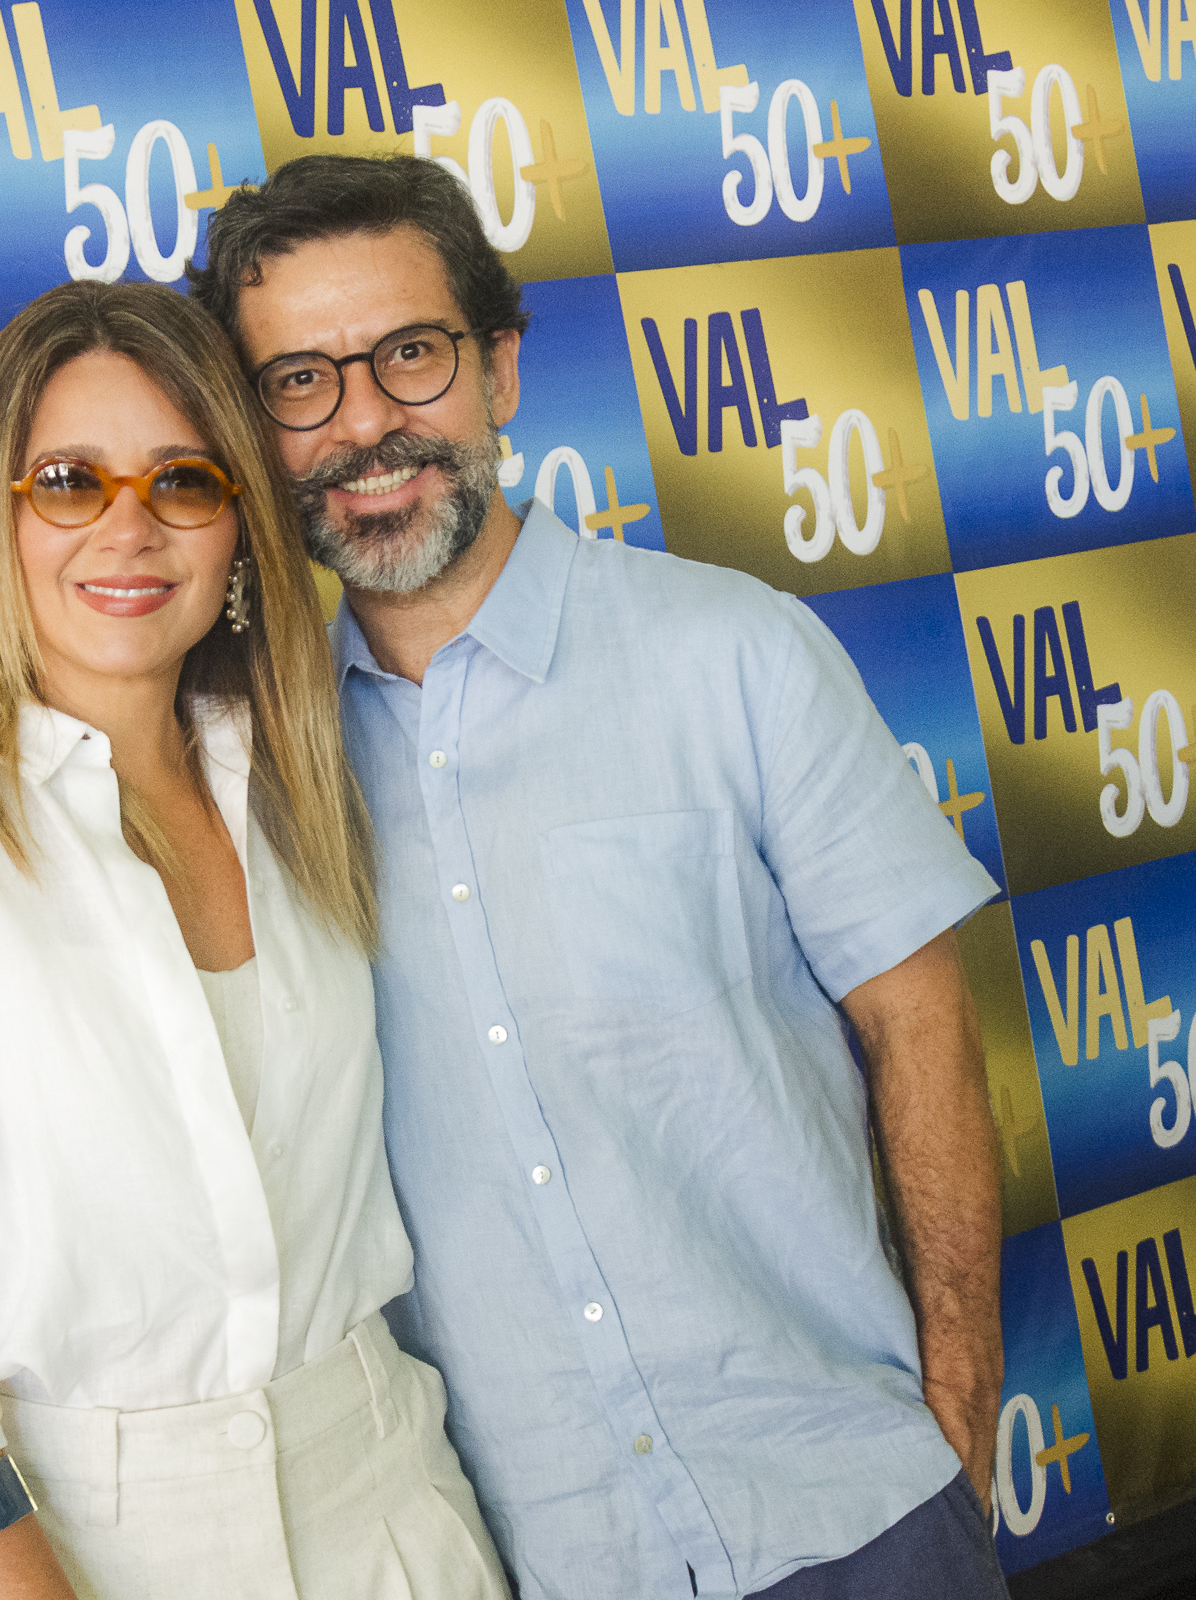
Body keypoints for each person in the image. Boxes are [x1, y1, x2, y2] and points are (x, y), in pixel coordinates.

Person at [190, 157, 1010, 1600]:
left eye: (411, 355)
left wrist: (959, 1403)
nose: (365, 423)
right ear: (254, 432)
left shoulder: (735, 653)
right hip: (530, 1558)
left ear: (500, 370)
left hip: (850, 1513)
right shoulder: (253, 776)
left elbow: (921, 1025)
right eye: (300, 382)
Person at [0, 280, 509, 1600]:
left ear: (240, 525)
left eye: (183, 480)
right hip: (66, 1539)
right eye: (69, 482)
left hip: (386, 1501)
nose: (129, 528)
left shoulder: (315, 784)